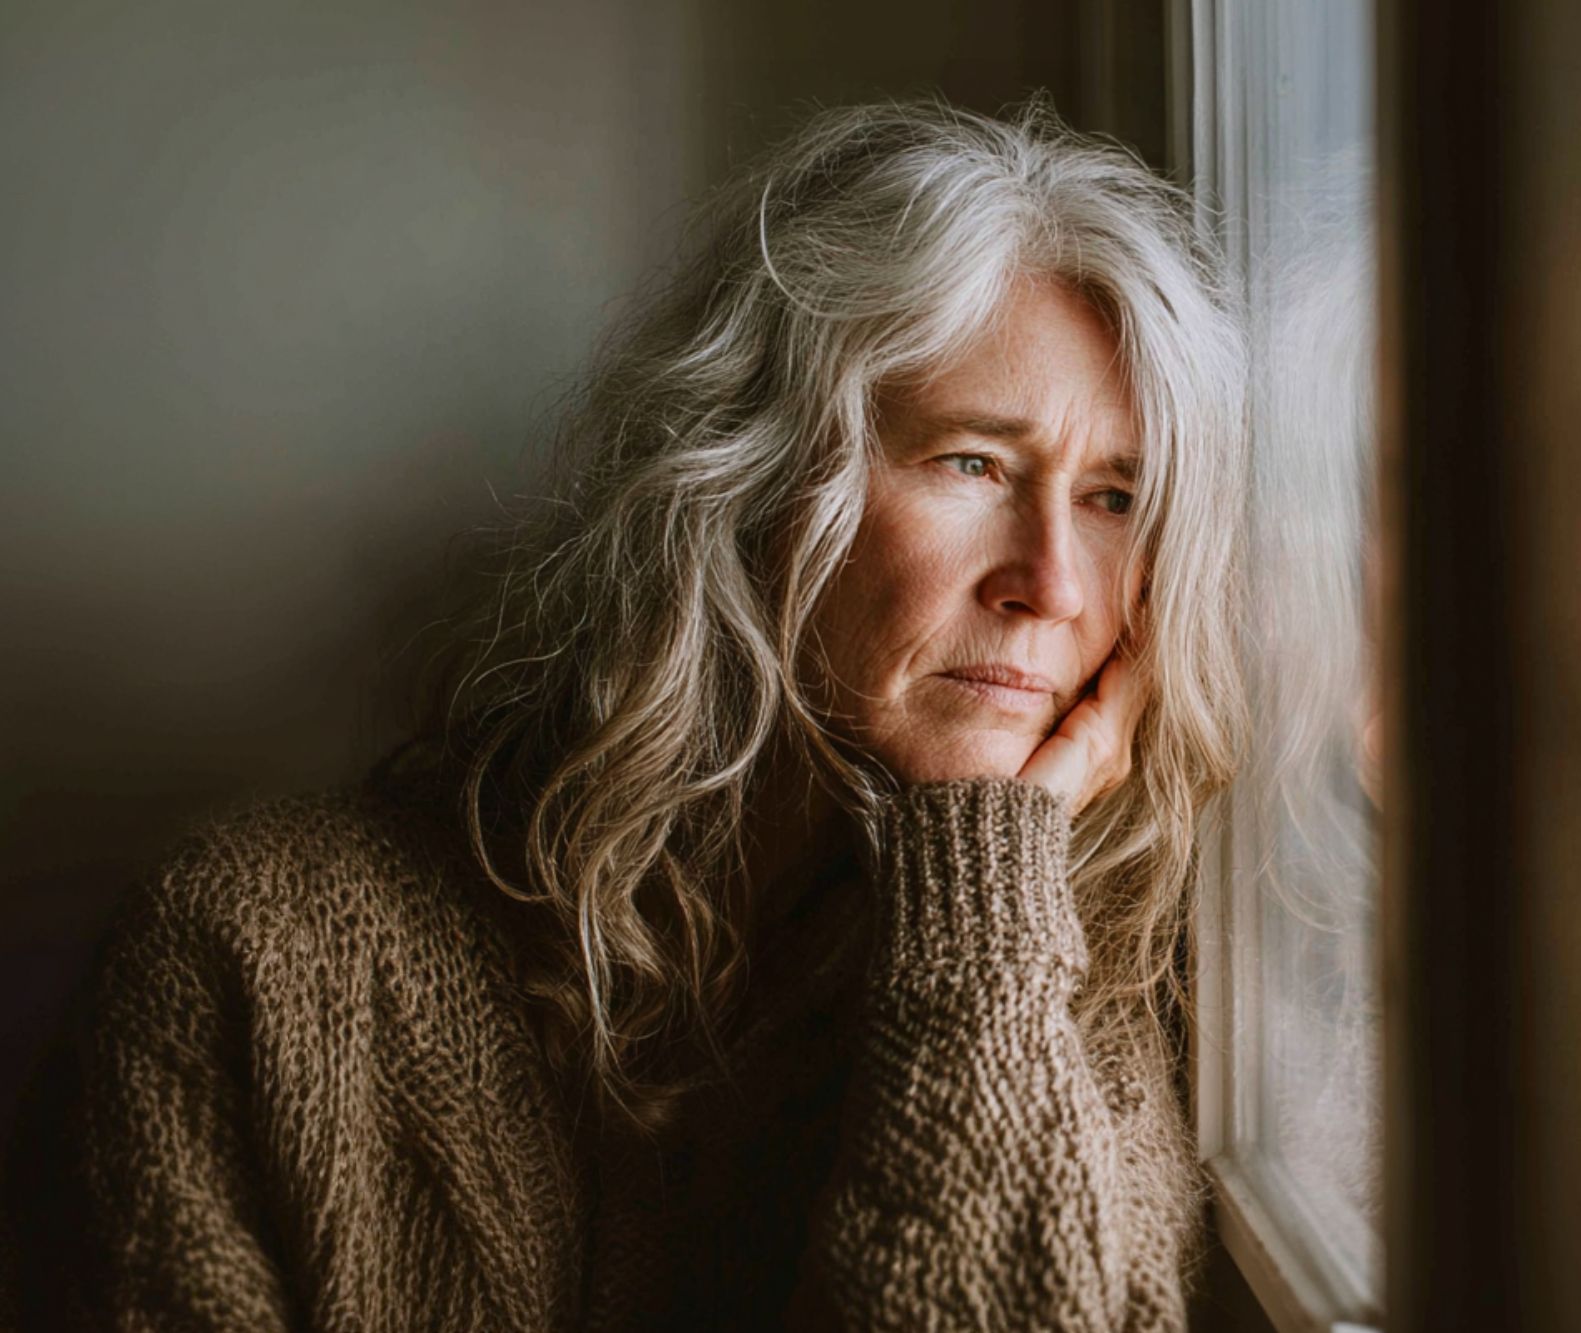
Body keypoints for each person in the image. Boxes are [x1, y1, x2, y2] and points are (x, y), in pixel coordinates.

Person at [0, 97, 1248, 1330]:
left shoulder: (1083, 984)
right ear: (759, 479)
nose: (1051, 584)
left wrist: (980, 901)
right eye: (971, 462)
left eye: (1114, 499)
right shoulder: (243, 954)